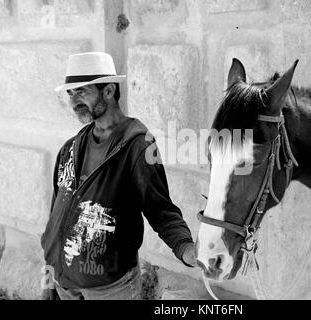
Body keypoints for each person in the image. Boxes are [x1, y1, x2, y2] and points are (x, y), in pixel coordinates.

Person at [40, 52, 197, 300]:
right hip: (63, 284)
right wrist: (48, 276)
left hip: (111, 290)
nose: (74, 101)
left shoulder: (139, 148)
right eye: (70, 93)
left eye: (82, 91)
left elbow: (160, 209)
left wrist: (186, 248)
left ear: (109, 91)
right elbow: (55, 218)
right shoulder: (70, 149)